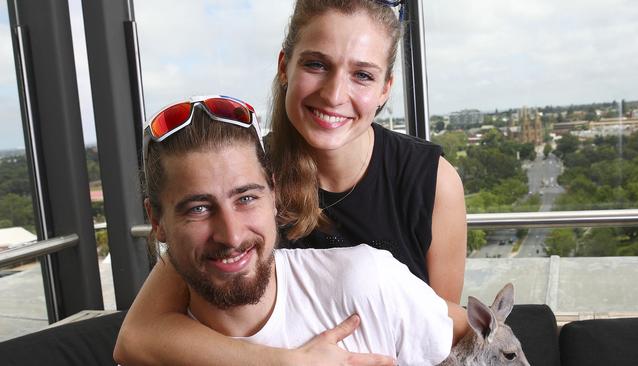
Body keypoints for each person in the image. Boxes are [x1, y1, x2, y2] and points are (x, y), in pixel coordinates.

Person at [115, 0, 468, 364]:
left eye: (362, 74)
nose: (333, 94)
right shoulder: (244, 183)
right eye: (316, 64)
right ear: (285, 67)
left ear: (384, 89)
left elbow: (440, 332)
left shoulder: (431, 182)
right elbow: (138, 336)